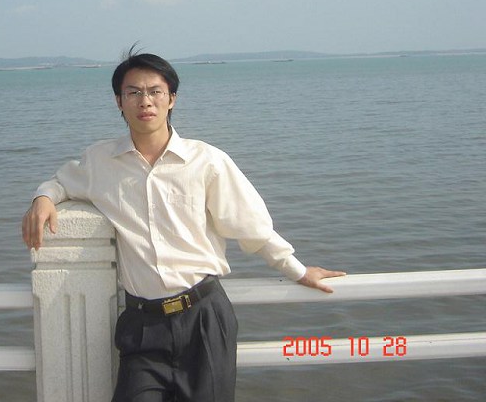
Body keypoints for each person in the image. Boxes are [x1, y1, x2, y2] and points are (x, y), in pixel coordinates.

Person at [22, 47, 345, 402]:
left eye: (155, 91)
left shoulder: (206, 161)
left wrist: (297, 270)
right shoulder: (101, 161)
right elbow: (61, 181)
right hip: (142, 324)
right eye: (133, 92)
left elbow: (251, 225)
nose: (145, 101)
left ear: (172, 98)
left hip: (203, 318)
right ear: (119, 102)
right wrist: (43, 199)